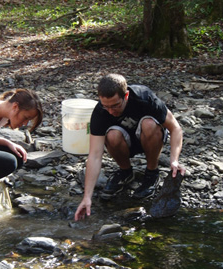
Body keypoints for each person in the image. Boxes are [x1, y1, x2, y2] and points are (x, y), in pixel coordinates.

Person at [74, 73, 185, 221]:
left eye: (115, 105)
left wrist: (174, 160)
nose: (111, 111)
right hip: (124, 142)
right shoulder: (100, 112)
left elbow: (175, 128)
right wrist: (87, 197)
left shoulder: (144, 97)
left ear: (125, 96)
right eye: (106, 106)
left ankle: (151, 173)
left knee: (149, 124)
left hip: (150, 137)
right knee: (112, 134)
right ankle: (125, 172)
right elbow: (94, 155)